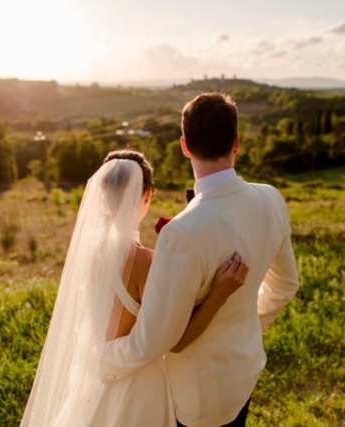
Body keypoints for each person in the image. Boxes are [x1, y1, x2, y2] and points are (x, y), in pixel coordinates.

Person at [101, 92, 299, 427]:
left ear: (184, 146)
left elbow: (155, 342)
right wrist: (246, 324)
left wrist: (101, 359)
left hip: (197, 396)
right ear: (236, 142)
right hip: (245, 370)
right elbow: (285, 286)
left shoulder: (181, 233)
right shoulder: (271, 199)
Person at [20, 149, 249, 427]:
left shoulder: (89, 248)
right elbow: (174, 336)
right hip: (140, 387)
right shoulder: (145, 262)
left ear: (101, 195)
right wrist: (218, 292)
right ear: (147, 194)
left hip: (93, 379)